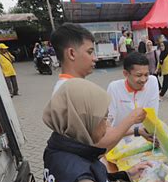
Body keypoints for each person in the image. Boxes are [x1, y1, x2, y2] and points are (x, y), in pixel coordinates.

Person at [50, 23, 146, 152]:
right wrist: (132, 119)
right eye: (90, 52)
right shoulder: (75, 92)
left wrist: (137, 130)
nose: (94, 58)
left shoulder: (66, 87)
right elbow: (100, 143)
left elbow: (103, 132)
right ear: (72, 53)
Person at [107, 52, 159, 142]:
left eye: (146, 74)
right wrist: (136, 131)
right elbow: (107, 128)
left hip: (143, 142)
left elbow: (152, 116)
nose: (143, 80)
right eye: (138, 75)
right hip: (119, 143)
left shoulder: (152, 82)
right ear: (126, 73)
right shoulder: (114, 88)